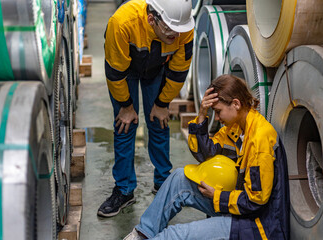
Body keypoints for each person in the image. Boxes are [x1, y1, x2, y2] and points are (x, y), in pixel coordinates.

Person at [123, 74, 290, 239]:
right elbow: (205, 154)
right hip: (239, 209)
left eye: (218, 112)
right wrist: (202, 114)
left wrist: (217, 196)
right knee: (179, 178)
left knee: (174, 235)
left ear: (236, 104)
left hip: (258, 226)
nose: (216, 118)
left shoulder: (259, 139)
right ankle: (143, 233)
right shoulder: (236, 129)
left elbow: (256, 202)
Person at [97, 0, 195, 218]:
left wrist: (162, 104)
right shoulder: (122, 23)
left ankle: (163, 182)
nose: (176, 36)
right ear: (152, 19)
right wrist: (126, 106)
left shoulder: (181, 25)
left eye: (180, 31)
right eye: (170, 30)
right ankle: (124, 190)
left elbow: (179, 70)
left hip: (158, 67)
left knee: (159, 123)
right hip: (125, 71)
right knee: (125, 124)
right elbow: (114, 72)